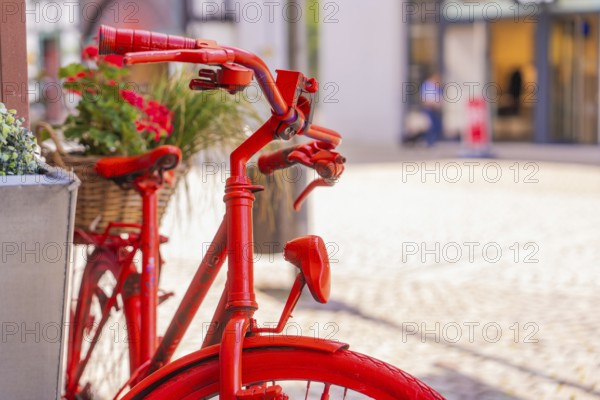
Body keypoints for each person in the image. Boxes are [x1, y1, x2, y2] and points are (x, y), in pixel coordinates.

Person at [420, 72, 443, 146]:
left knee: (436, 125)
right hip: (428, 108)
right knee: (430, 126)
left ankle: (432, 141)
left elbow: (439, 98)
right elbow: (425, 98)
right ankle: (429, 142)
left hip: (434, 109)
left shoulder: (436, 87)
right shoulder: (427, 85)